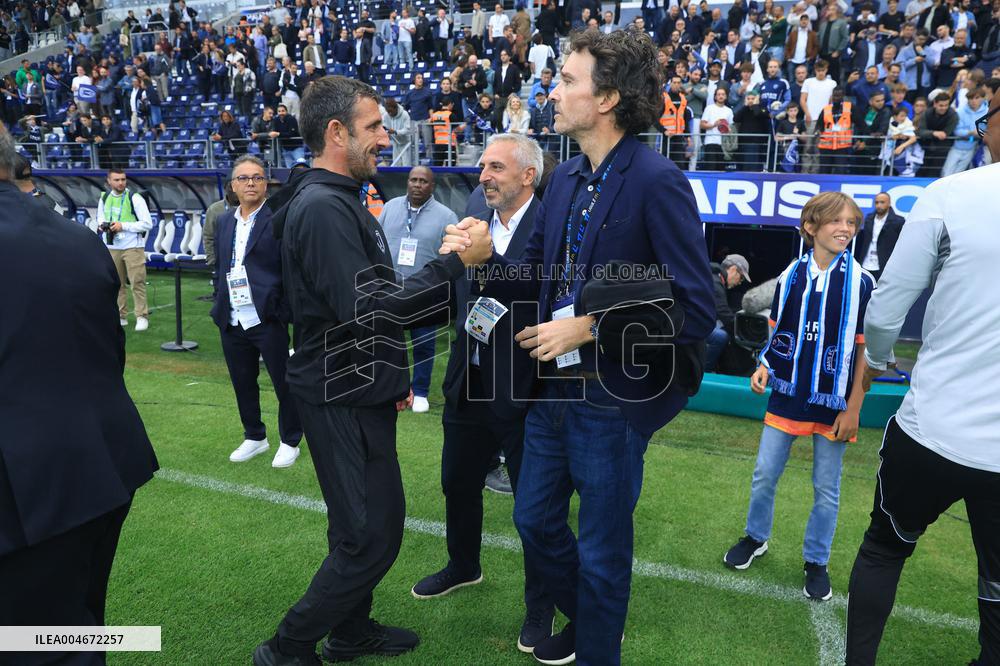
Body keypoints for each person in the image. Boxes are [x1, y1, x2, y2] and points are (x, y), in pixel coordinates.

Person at [440, 30, 715, 665]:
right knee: (533, 522)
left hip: (613, 402)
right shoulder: (563, 178)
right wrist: (486, 261)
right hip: (551, 391)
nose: (553, 89)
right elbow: (533, 281)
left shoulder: (657, 180)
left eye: (568, 80)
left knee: (601, 552)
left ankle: (596, 647)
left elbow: (696, 307)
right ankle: (593, 623)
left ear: (610, 98)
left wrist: (590, 325)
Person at [254, 75, 470, 666]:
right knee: (371, 535)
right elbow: (374, 307)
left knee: (358, 525)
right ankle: (287, 646)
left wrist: (392, 379)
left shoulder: (341, 197)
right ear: (335, 132)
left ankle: (349, 632)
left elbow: (370, 302)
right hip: (339, 392)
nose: (385, 137)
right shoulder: (325, 206)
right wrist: (453, 264)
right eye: (374, 127)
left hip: (358, 386)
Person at [846, 77, 1000, 666]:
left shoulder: (951, 194)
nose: (980, 136)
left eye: (985, 124)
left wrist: (877, 362)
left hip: (934, 425)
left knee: (885, 548)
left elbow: (886, 307)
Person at [0, 123, 158, 659]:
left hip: (29, 489)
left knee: (41, 642)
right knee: (77, 628)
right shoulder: (74, 235)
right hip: (104, 464)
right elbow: (107, 358)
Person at [724, 191, 875, 601]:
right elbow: (780, 331)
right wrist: (764, 366)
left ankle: (816, 561)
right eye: (837, 221)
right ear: (811, 227)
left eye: (851, 223)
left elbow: (866, 350)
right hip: (788, 394)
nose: (846, 228)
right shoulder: (792, 274)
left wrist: (854, 408)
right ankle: (756, 537)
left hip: (834, 403)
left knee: (826, 487)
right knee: (764, 474)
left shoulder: (862, 282)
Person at [212, 155, 302, 469]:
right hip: (232, 316)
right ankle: (255, 435)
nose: (251, 183)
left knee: (284, 382)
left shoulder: (278, 217)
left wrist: (284, 310)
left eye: (258, 177)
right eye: (244, 178)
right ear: (233, 185)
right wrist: (218, 302)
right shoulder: (224, 221)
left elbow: (290, 268)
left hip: (267, 316)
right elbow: (222, 265)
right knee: (242, 380)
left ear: (266, 183)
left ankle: (290, 439)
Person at [378, 166, 458, 414]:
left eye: (423, 181)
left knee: (423, 343)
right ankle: (391, 389)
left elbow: (452, 254)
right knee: (388, 342)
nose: (417, 185)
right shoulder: (390, 207)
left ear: (432, 186)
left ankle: (420, 390)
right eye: (413, 180)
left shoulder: (446, 216)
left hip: (424, 293)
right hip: (389, 289)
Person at [95, 168, 153, 332]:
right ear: (109, 181)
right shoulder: (104, 197)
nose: (121, 182)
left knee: (137, 282)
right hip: (112, 246)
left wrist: (123, 226)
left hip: (133, 246)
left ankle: (141, 316)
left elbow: (148, 223)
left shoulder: (134, 198)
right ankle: (121, 315)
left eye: (123, 179)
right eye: (117, 180)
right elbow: (100, 216)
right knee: (116, 284)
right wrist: (102, 224)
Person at [705, 254, 751, 372]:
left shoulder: (713, 276)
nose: (740, 282)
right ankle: (705, 371)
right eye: (741, 277)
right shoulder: (715, 283)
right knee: (721, 337)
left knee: (720, 326)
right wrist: (744, 333)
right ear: (733, 269)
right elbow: (724, 314)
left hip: (690, 321)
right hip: (689, 325)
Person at [854, 191, 904, 282]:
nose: (879, 205)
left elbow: (901, 245)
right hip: (866, 263)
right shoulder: (869, 218)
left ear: (889, 203)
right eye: (876, 202)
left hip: (885, 265)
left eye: (882, 202)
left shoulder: (898, 221)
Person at [382, 98, 413, 166]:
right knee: (396, 164)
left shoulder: (405, 114)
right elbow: (384, 125)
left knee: (406, 164)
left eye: (391, 111)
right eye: (388, 112)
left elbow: (407, 130)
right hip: (395, 143)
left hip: (406, 143)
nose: (390, 113)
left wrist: (396, 131)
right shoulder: (386, 115)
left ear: (395, 108)